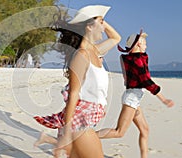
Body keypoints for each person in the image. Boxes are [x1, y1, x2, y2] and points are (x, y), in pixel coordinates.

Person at [33, 5, 121, 158]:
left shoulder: (94, 51)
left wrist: (99, 19)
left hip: (86, 120)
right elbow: (74, 94)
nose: (103, 27)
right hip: (79, 123)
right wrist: (66, 134)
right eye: (101, 23)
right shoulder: (81, 55)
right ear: (89, 27)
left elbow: (116, 38)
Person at [96, 29, 174, 158]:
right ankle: (84, 139)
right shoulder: (136, 60)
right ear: (138, 44)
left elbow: (131, 74)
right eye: (144, 43)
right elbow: (146, 81)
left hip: (134, 98)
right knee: (119, 132)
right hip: (131, 98)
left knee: (145, 130)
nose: (146, 46)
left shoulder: (129, 59)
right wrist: (163, 99)